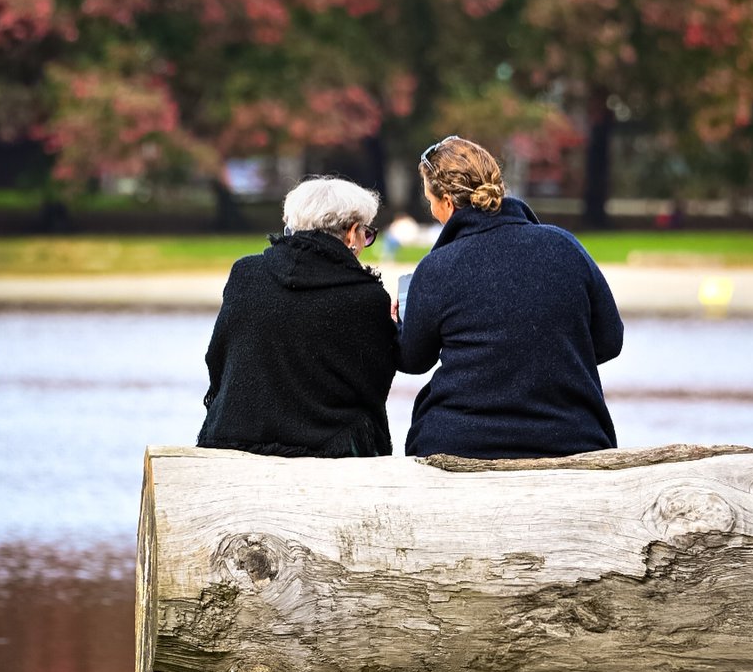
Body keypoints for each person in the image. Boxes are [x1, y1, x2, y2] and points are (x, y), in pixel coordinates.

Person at [397, 136, 623, 459]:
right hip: (573, 439)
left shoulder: (437, 269)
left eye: (430, 201)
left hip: (459, 442)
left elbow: (413, 359)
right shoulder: (565, 247)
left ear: (446, 202)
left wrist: (399, 324)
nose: (432, 211)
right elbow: (610, 340)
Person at [197, 177, 397, 457]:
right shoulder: (366, 297)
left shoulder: (245, 273)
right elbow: (373, 385)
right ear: (351, 234)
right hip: (329, 453)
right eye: (366, 233)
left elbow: (217, 357)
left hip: (234, 440)